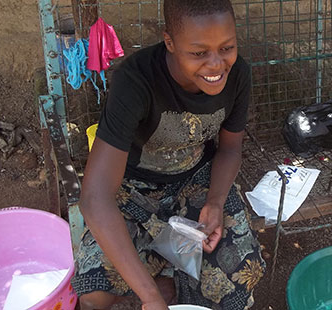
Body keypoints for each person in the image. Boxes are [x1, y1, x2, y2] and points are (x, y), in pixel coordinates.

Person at [70, 0, 266, 309]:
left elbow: (230, 148)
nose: (216, 65)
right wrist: (150, 298)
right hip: (134, 192)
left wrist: (215, 202)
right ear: (170, 42)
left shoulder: (238, 73)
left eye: (226, 48)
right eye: (199, 53)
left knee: (239, 273)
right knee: (95, 292)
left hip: (197, 182)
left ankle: (171, 282)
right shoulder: (135, 81)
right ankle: (161, 285)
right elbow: (95, 198)